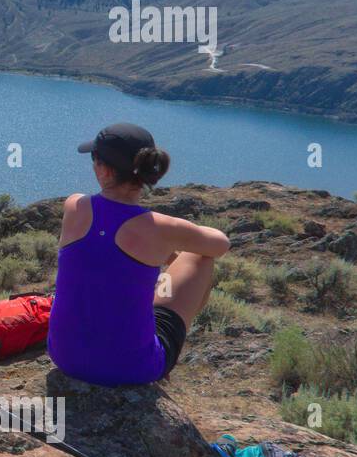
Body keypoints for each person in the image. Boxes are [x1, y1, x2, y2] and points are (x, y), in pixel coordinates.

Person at [47, 122, 230, 386]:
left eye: (94, 159)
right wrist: (169, 247)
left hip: (65, 357)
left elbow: (106, 243)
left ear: (105, 171)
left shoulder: (74, 205)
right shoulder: (160, 228)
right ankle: (168, 352)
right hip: (133, 369)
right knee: (200, 257)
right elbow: (220, 244)